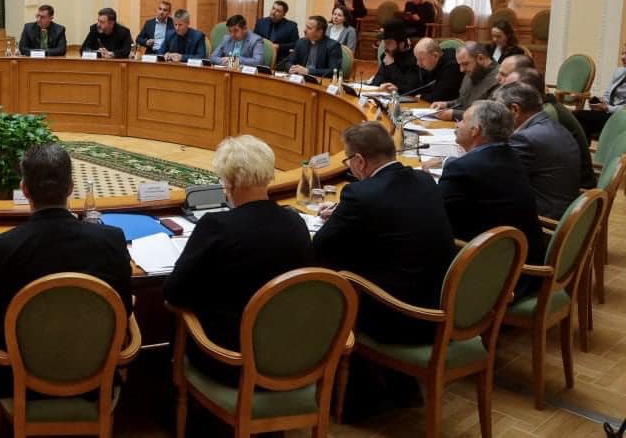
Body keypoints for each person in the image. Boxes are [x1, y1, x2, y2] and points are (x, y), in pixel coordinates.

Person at [162, 135, 313, 386]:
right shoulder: (295, 222)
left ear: (229, 183)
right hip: (291, 355)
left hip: (231, 360)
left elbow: (173, 293)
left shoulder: (216, 226)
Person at [0, 144, 132, 346]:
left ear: (24, 189)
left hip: (19, 360)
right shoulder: (112, 240)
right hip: (96, 357)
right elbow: (124, 308)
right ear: (71, 187)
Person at [314, 122, 456, 344]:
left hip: (400, 317)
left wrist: (343, 217)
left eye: (348, 161)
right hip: (442, 304)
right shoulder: (425, 180)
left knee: (323, 269)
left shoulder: (359, 194)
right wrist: (344, 214)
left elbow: (321, 245)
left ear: (359, 161)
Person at [438, 101, 545, 284]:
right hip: (521, 263)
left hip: (494, 277)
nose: (457, 124)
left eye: (462, 121)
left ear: (475, 131)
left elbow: (437, 216)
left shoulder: (463, 169)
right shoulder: (511, 156)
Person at [503, 63, 595, 190]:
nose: (503, 92)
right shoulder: (543, 109)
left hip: (576, 187)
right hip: (561, 183)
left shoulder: (548, 114)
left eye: (509, 89)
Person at [497, 83, 582, 219]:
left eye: (499, 111)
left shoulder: (524, 138)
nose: (496, 118)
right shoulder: (552, 125)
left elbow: (499, 179)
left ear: (514, 109)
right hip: (562, 207)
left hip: (543, 217)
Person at [429, 42, 499, 121]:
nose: (461, 70)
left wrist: (454, 114)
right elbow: (463, 101)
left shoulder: (500, 78)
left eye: (465, 64)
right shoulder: (472, 72)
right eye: (460, 65)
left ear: (480, 58)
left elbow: (490, 114)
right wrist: (446, 104)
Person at [381, 38, 461, 102]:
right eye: (417, 59)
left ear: (435, 56)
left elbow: (440, 97)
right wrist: (398, 89)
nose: (418, 64)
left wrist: (421, 96)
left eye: (422, 60)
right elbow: (419, 88)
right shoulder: (432, 64)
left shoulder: (452, 66)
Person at [573, 43, 626, 139]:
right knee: (579, 118)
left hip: (620, 116)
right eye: (622, 53)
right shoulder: (619, 71)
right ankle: (583, 147)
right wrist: (601, 102)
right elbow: (608, 93)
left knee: (578, 116)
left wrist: (607, 108)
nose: (623, 57)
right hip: (608, 111)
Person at [368, 21, 419, 93]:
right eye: (385, 43)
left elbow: (409, 88)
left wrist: (392, 65)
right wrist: (381, 85)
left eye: (389, 43)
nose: (385, 47)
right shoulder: (387, 55)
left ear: (401, 44)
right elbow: (376, 81)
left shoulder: (414, 59)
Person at [254, 0, 299, 66]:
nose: (273, 12)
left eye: (278, 11)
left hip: (280, 60)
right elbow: (254, 39)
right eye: (273, 8)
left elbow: (295, 44)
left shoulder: (291, 26)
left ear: (284, 14)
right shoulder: (261, 22)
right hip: (260, 57)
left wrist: (279, 46)